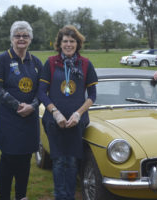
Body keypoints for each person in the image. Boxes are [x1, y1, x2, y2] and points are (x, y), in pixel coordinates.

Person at [37, 25, 97, 200]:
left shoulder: (86, 64)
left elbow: (92, 95)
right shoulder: (51, 62)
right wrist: (55, 112)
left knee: (71, 161)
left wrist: (78, 114)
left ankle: (69, 196)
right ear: (59, 43)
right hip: (54, 121)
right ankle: (60, 196)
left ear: (77, 44)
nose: (68, 45)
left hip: (76, 122)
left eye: (72, 41)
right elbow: (41, 92)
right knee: (58, 160)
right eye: (65, 41)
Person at [0, 21, 43, 200]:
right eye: (17, 36)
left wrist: (32, 106)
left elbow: (42, 90)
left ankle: (21, 196)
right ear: (11, 39)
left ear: (30, 39)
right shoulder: (2, 59)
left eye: (25, 36)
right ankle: (4, 196)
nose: (21, 39)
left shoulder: (36, 62)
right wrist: (17, 105)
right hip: (8, 118)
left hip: (29, 118)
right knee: (9, 157)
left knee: (25, 157)